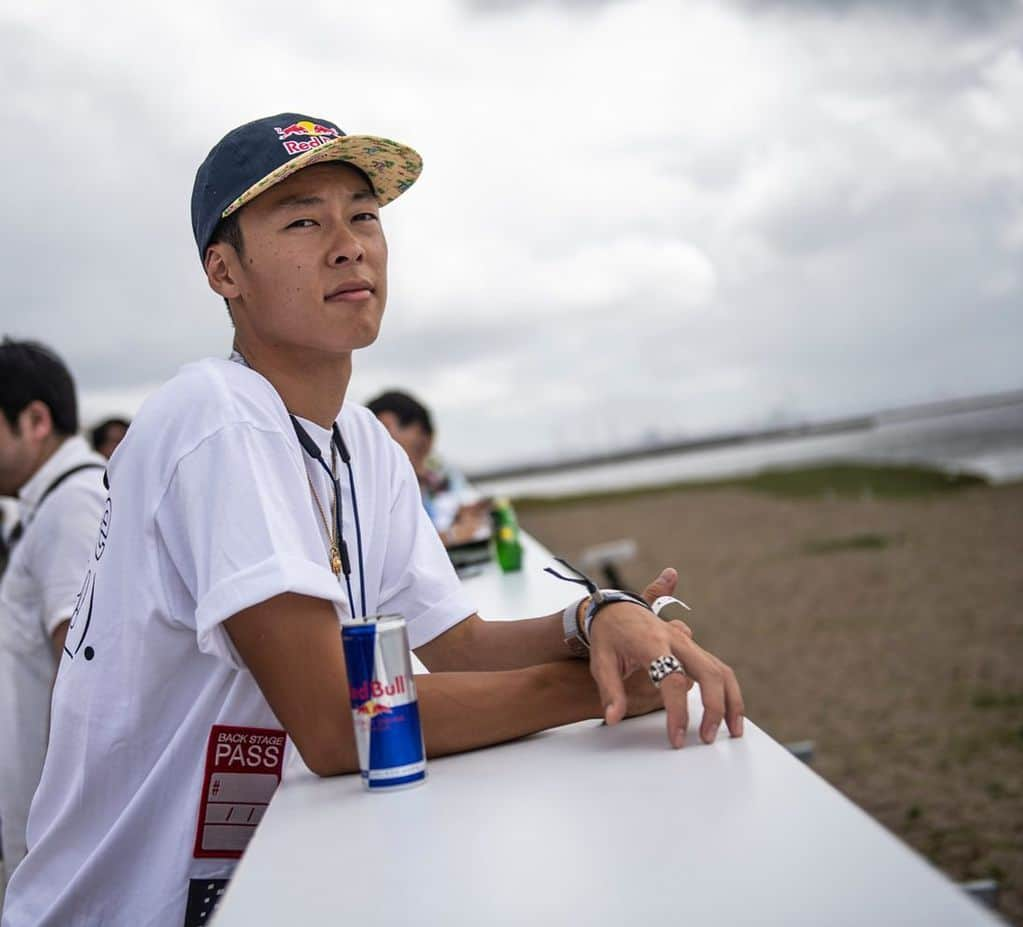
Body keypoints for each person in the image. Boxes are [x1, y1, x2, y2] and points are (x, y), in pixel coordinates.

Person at [1, 113, 743, 927]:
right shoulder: (215, 416)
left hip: (260, 874)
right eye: (303, 220)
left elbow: (456, 640)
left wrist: (599, 615)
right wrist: (598, 692)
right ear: (224, 272)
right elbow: (333, 725)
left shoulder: (361, 443)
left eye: (363, 214)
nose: (349, 243)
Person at [0, 340, 107, 879]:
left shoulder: (71, 506)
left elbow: (85, 675)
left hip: (61, 859)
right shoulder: (54, 503)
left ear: (35, 420)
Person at [368, 389, 488, 546]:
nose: (380, 439)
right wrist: (453, 535)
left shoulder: (443, 477)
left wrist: (463, 516)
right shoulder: (372, 492)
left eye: (387, 428)